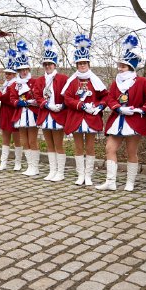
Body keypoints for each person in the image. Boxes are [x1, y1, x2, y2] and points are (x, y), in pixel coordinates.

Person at [96, 35, 146, 191]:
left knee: (131, 152)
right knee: (110, 148)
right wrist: (117, 107)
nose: (120, 69)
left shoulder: (141, 81)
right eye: (120, 66)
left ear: (131, 67)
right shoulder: (116, 82)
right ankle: (111, 181)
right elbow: (109, 97)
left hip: (134, 121)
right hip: (118, 119)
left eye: (123, 66)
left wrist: (142, 109)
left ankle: (130, 182)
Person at [62, 35, 108, 186]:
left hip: (91, 118)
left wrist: (99, 106)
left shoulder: (95, 80)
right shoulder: (72, 81)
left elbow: (105, 97)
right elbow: (67, 98)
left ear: (88, 63)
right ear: (76, 64)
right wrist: (81, 105)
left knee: (90, 146)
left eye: (84, 63)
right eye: (80, 63)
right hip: (76, 117)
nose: (82, 65)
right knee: (78, 146)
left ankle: (88, 175)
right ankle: (80, 175)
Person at [34, 39, 68, 181]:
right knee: (49, 144)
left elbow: (68, 94)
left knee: (58, 144)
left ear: (55, 64)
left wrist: (62, 105)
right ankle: (52, 170)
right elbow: (37, 95)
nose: (48, 66)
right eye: (46, 64)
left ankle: (60, 172)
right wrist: (46, 105)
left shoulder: (63, 78)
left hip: (58, 114)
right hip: (46, 113)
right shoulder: (40, 80)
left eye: (50, 64)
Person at [9, 41, 39, 176]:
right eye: (21, 70)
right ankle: (30, 166)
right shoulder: (15, 84)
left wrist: (32, 101)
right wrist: (19, 103)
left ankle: (35, 167)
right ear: (18, 71)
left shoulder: (35, 82)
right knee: (24, 140)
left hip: (32, 113)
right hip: (21, 114)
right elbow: (12, 98)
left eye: (26, 69)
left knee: (32, 140)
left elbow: (39, 96)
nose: (24, 71)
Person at [0, 48, 22, 171]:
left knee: (17, 138)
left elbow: (7, 98)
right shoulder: (6, 84)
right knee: (5, 138)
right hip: (5, 112)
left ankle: (18, 162)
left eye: (9, 74)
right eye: (6, 73)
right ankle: (3, 162)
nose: (7, 75)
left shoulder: (16, 84)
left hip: (13, 112)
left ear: (15, 74)